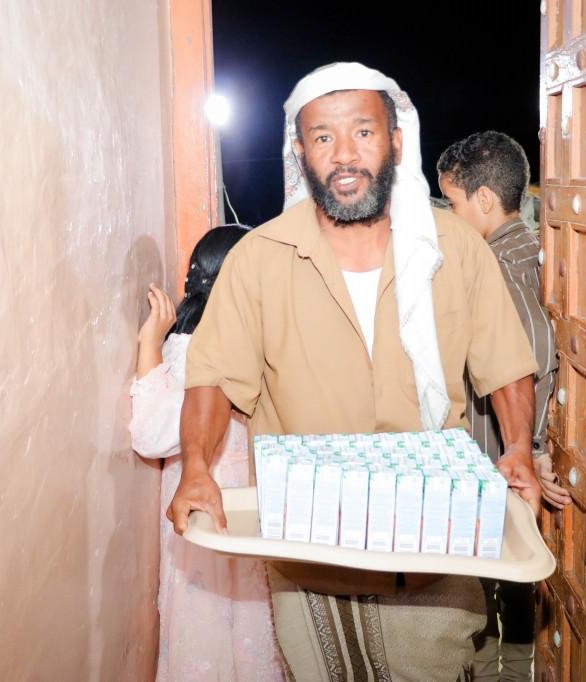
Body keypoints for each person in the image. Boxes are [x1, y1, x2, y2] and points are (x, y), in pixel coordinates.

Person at [168, 62, 542, 680]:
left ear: (395, 139)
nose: (344, 154)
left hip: (433, 552)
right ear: (300, 151)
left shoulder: (454, 248)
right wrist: (196, 468)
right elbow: (211, 376)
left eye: (363, 132)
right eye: (323, 137)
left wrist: (520, 448)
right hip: (308, 555)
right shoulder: (259, 259)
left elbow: (505, 363)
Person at [129, 225, 284, 681]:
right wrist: (150, 346)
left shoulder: (243, 343)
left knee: (235, 627)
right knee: (219, 630)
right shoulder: (193, 349)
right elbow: (153, 433)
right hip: (207, 508)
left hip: (234, 509)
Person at [438, 131, 566, 680]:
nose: (450, 215)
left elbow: (532, 352)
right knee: (505, 584)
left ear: (485, 199)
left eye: (453, 202)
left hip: (499, 452)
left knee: (491, 584)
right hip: (503, 448)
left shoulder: (499, 269)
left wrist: (528, 445)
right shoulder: (523, 249)